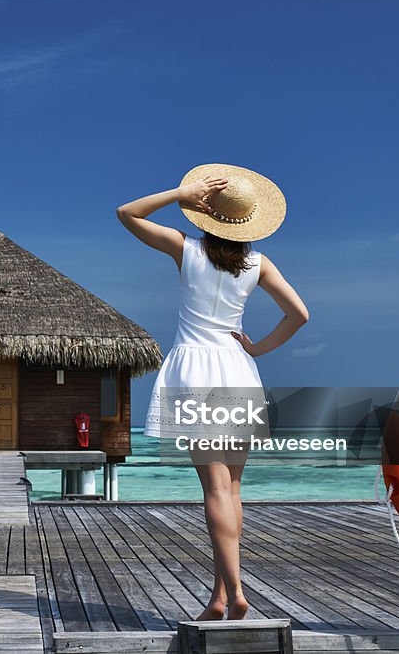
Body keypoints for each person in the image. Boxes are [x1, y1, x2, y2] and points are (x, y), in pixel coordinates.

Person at [116, 164, 309, 621]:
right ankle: (219, 598)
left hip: (196, 370)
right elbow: (299, 314)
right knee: (234, 491)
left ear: (206, 213)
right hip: (237, 367)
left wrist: (182, 191)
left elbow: (128, 213)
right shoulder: (257, 263)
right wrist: (258, 348)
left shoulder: (186, 250)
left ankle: (238, 592)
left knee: (215, 490)